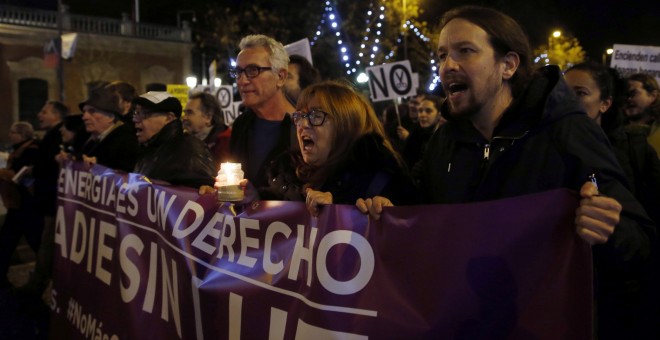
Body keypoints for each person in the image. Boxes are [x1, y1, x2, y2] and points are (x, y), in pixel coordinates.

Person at [357, 6, 655, 339]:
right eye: (442, 55)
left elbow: (641, 242)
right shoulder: (444, 142)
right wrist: (385, 210)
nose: (447, 66)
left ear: (508, 65)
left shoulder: (566, 132)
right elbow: (424, 216)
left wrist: (608, 229)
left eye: (465, 51)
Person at [222, 81, 415, 216]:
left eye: (316, 116)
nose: (302, 125)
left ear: (346, 125)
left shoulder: (381, 183)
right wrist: (254, 199)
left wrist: (342, 212)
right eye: (299, 116)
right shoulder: (291, 177)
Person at [565, 62, 660, 337]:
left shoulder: (634, 149)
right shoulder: (545, 147)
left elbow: (649, 228)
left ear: (605, 103)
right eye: (563, 93)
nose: (568, 101)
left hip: (623, 299)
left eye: (580, 93)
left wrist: (613, 229)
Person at [228, 34, 297, 188]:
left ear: (280, 77)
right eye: (238, 72)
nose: (242, 81)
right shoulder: (241, 125)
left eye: (253, 70)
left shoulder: (304, 129)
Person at [132, 91, 216, 188]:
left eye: (144, 114)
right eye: (136, 113)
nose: (135, 120)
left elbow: (205, 193)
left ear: (168, 118)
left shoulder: (189, 149)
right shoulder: (148, 149)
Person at [0, 122, 40, 289]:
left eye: (13, 132)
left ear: (22, 135)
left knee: (31, 240)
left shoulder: (29, 150)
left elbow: (21, 175)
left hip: (24, 204)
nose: (9, 135)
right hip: (19, 205)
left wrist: (3, 173)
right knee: (9, 240)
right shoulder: (22, 149)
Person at [80, 86, 139, 172]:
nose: (84, 117)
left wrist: (99, 166)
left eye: (92, 111)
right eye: (84, 112)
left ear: (110, 117)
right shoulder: (91, 139)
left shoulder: (126, 140)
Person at [400, 94, 446, 172]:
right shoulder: (414, 134)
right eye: (420, 111)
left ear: (439, 114)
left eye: (428, 111)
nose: (422, 115)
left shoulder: (445, 137)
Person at [183, 92, 231, 164]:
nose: (184, 117)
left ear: (208, 118)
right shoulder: (183, 141)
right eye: (185, 113)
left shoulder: (226, 142)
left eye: (190, 113)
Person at [624, 73, 660, 156]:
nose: (628, 99)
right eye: (626, 95)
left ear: (652, 96)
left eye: (633, 93)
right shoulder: (613, 131)